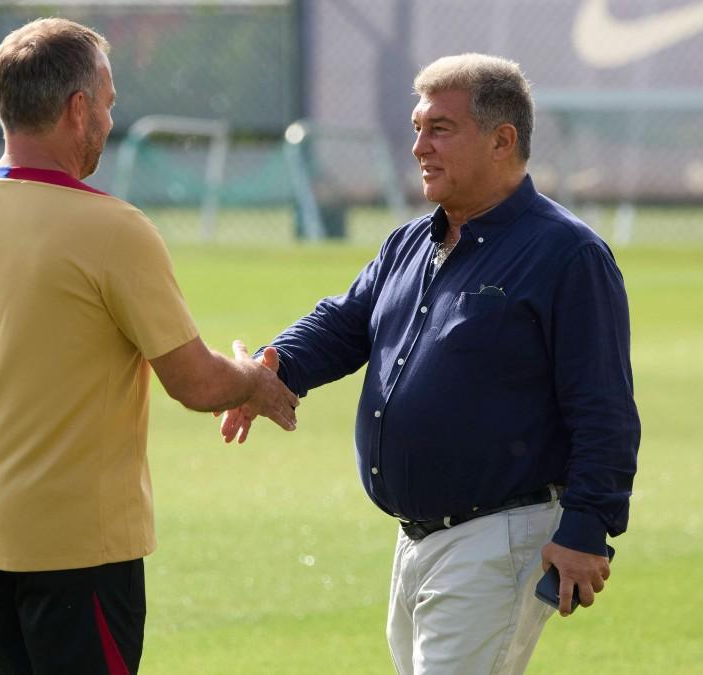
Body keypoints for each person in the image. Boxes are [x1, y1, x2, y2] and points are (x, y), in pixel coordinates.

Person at [0, 18, 298, 675]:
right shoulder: (114, 229)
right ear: (78, 109)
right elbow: (196, 383)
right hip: (77, 549)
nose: (109, 118)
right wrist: (253, 376)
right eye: (107, 102)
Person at [219, 53, 640, 674]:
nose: (419, 147)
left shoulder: (568, 254)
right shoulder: (412, 240)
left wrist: (586, 526)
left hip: (498, 538)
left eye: (440, 129)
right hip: (415, 542)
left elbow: (604, 409)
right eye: (418, 128)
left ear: (502, 140)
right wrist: (268, 370)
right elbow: (344, 322)